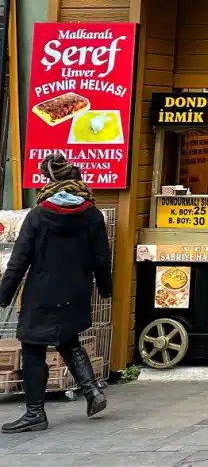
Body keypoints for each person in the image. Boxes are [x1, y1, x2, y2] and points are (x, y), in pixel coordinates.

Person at [0, 155, 112, 433]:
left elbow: (19, 260)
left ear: (51, 181)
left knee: (33, 347)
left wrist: (4, 295)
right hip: (76, 290)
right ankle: (92, 391)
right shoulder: (92, 214)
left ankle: (35, 413)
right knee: (67, 338)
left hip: (42, 292)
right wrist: (106, 288)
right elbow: (101, 258)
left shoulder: (39, 215)